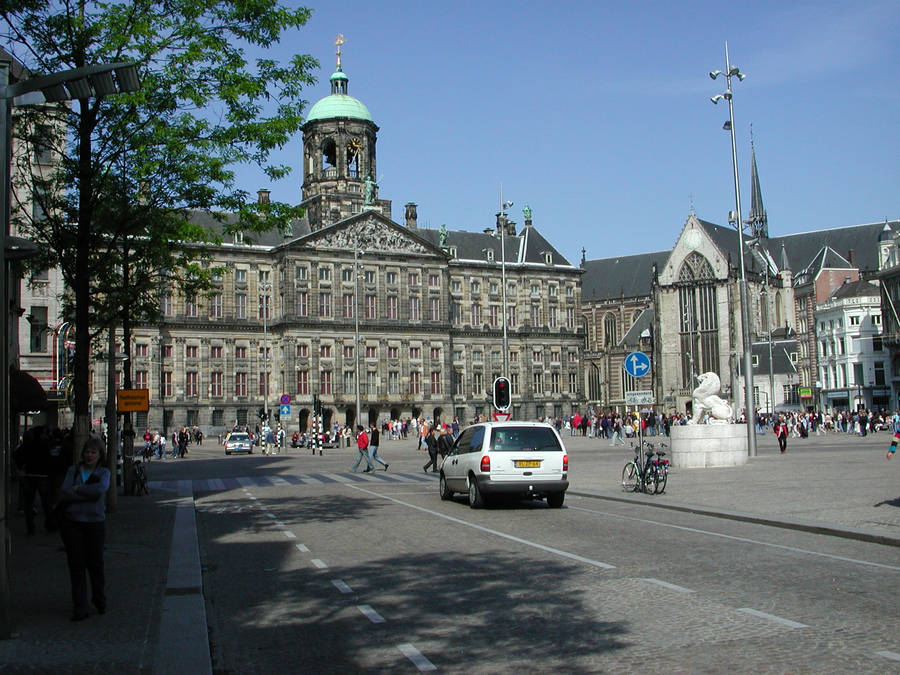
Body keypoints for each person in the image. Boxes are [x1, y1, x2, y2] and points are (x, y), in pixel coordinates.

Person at [55, 437, 110, 621]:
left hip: (95, 523)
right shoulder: (74, 470)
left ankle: (99, 599)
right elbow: (65, 491)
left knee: (95, 564)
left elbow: (99, 491)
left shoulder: (104, 472)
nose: (89, 455)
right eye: (87, 452)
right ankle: (80, 607)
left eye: (93, 452)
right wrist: (85, 493)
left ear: (99, 455)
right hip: (73, 522)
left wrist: (78, 491)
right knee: (76, 565)